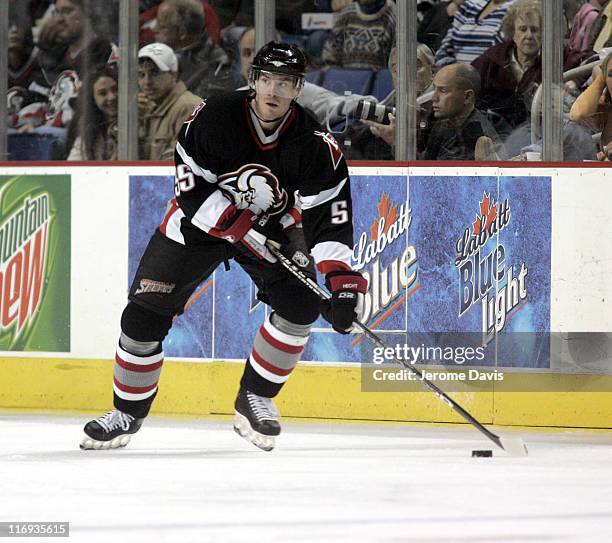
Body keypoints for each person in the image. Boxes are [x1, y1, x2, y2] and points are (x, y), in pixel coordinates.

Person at [79, 42, 367, 452]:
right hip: (199, 224)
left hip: (274, 226)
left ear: (299, 87)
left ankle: (256, 397)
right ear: (253, 81)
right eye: (266, 80)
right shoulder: (215, 117)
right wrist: (242, 229)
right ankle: (126, 413)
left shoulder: (317, 144)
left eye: (284, 83)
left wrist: (343, 282)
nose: (273, 91)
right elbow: (191, 187)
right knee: (142, 318)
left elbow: (330, 220)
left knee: (301, 306)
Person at [472, 0, 587, 134]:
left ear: (546, 32)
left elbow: (592, 61)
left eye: (535, 29)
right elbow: (468, 80)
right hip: (494, 132)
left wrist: (574, 81)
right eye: (522, 29)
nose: (529, 36)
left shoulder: (558, 56)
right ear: (512, 32)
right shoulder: (494, 57)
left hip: (539, 133)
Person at [237, 27, 378, 126]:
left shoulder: (301, 93)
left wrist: (366, 108)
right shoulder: (235, 100)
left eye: (257, 53)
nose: (251, 60)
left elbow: (337, 105)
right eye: (246, 53)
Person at [343, 44, 436, 159]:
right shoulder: (390, 102)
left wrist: (397, 142)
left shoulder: (440, 108)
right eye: (397, 69)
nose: (406, 74)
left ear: (433, 71)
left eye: (415, 66)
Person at [154, 0, 239, 98]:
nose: (155, 29)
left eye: (161, 26)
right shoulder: (155, 51)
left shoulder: (217, 64)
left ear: (182, 33)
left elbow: (202, 106)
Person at [421, 63, 503, 160]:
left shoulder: (479, 136)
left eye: (443, 90)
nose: (434, 98)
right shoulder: (442, 124)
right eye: (435, 89)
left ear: (467, 97)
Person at [137, 42, 202, 160]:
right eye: (141, 74)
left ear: (174, 75)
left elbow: (185, 163)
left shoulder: (187, 107)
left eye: (154, 73)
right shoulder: (147, 109)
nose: (147, 82)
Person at [435, 0, 514, 68]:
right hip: (453, 77)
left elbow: (497, 52)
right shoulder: (469, 5)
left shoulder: (515, 8)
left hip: (486, 78)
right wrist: (449, 74)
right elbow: (445, 47)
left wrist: (470, 77)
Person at [322, 0, 396, 70]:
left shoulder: (393, 16)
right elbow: (329, 57)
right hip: (344, 79)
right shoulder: (347, 14)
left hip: (380, 80)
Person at [65, 63, 118, 160]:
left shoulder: (138, 116)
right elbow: (72, 167)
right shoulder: (88, 129)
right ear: (93, 99)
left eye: (115, 89)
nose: (112, 97)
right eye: (103, 93)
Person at [570, 51, 612, 160]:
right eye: (611, 74)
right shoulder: (606, 108)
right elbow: (579, 115)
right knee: (571, 130)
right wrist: (600, 80)